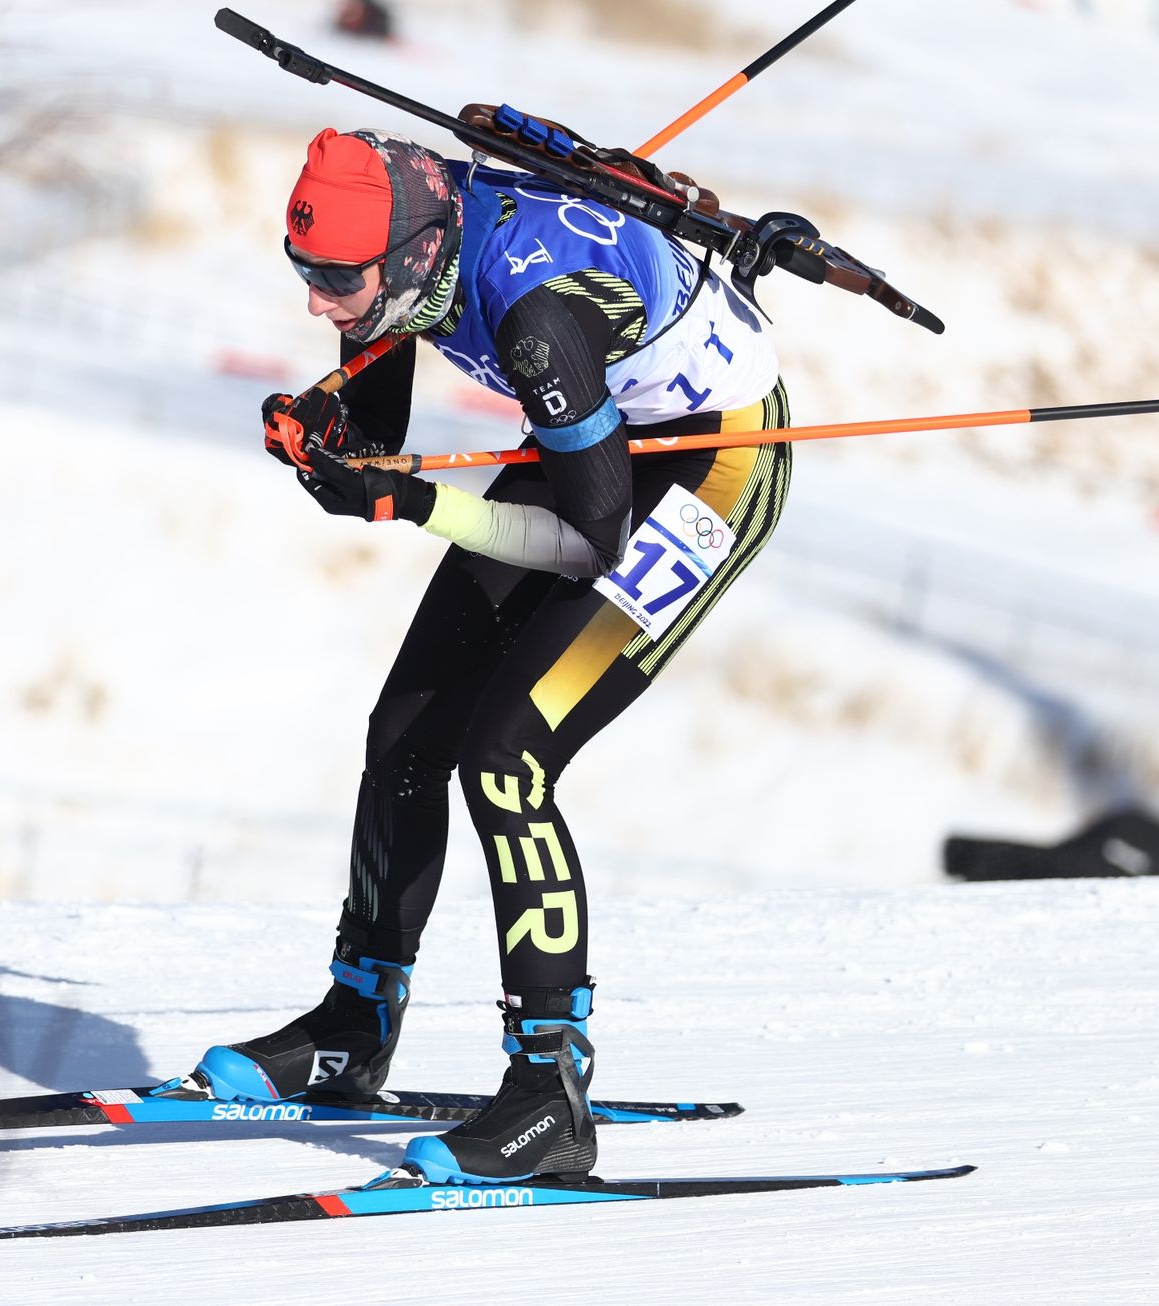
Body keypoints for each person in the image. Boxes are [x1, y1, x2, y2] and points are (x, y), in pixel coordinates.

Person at [193, 127, 792, 1185]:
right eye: (303, 274)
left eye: (335, 280)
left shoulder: (533, 321)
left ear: (415, 254)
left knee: (507, 757)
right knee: (407, 732)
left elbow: (583, 542)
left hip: (704, 465)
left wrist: (412, 501)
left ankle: (548, 1092)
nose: (317, 304)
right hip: (594, 437)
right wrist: (327, 442)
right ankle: (353, 1024)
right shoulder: (405, 236)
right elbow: (375, 442)